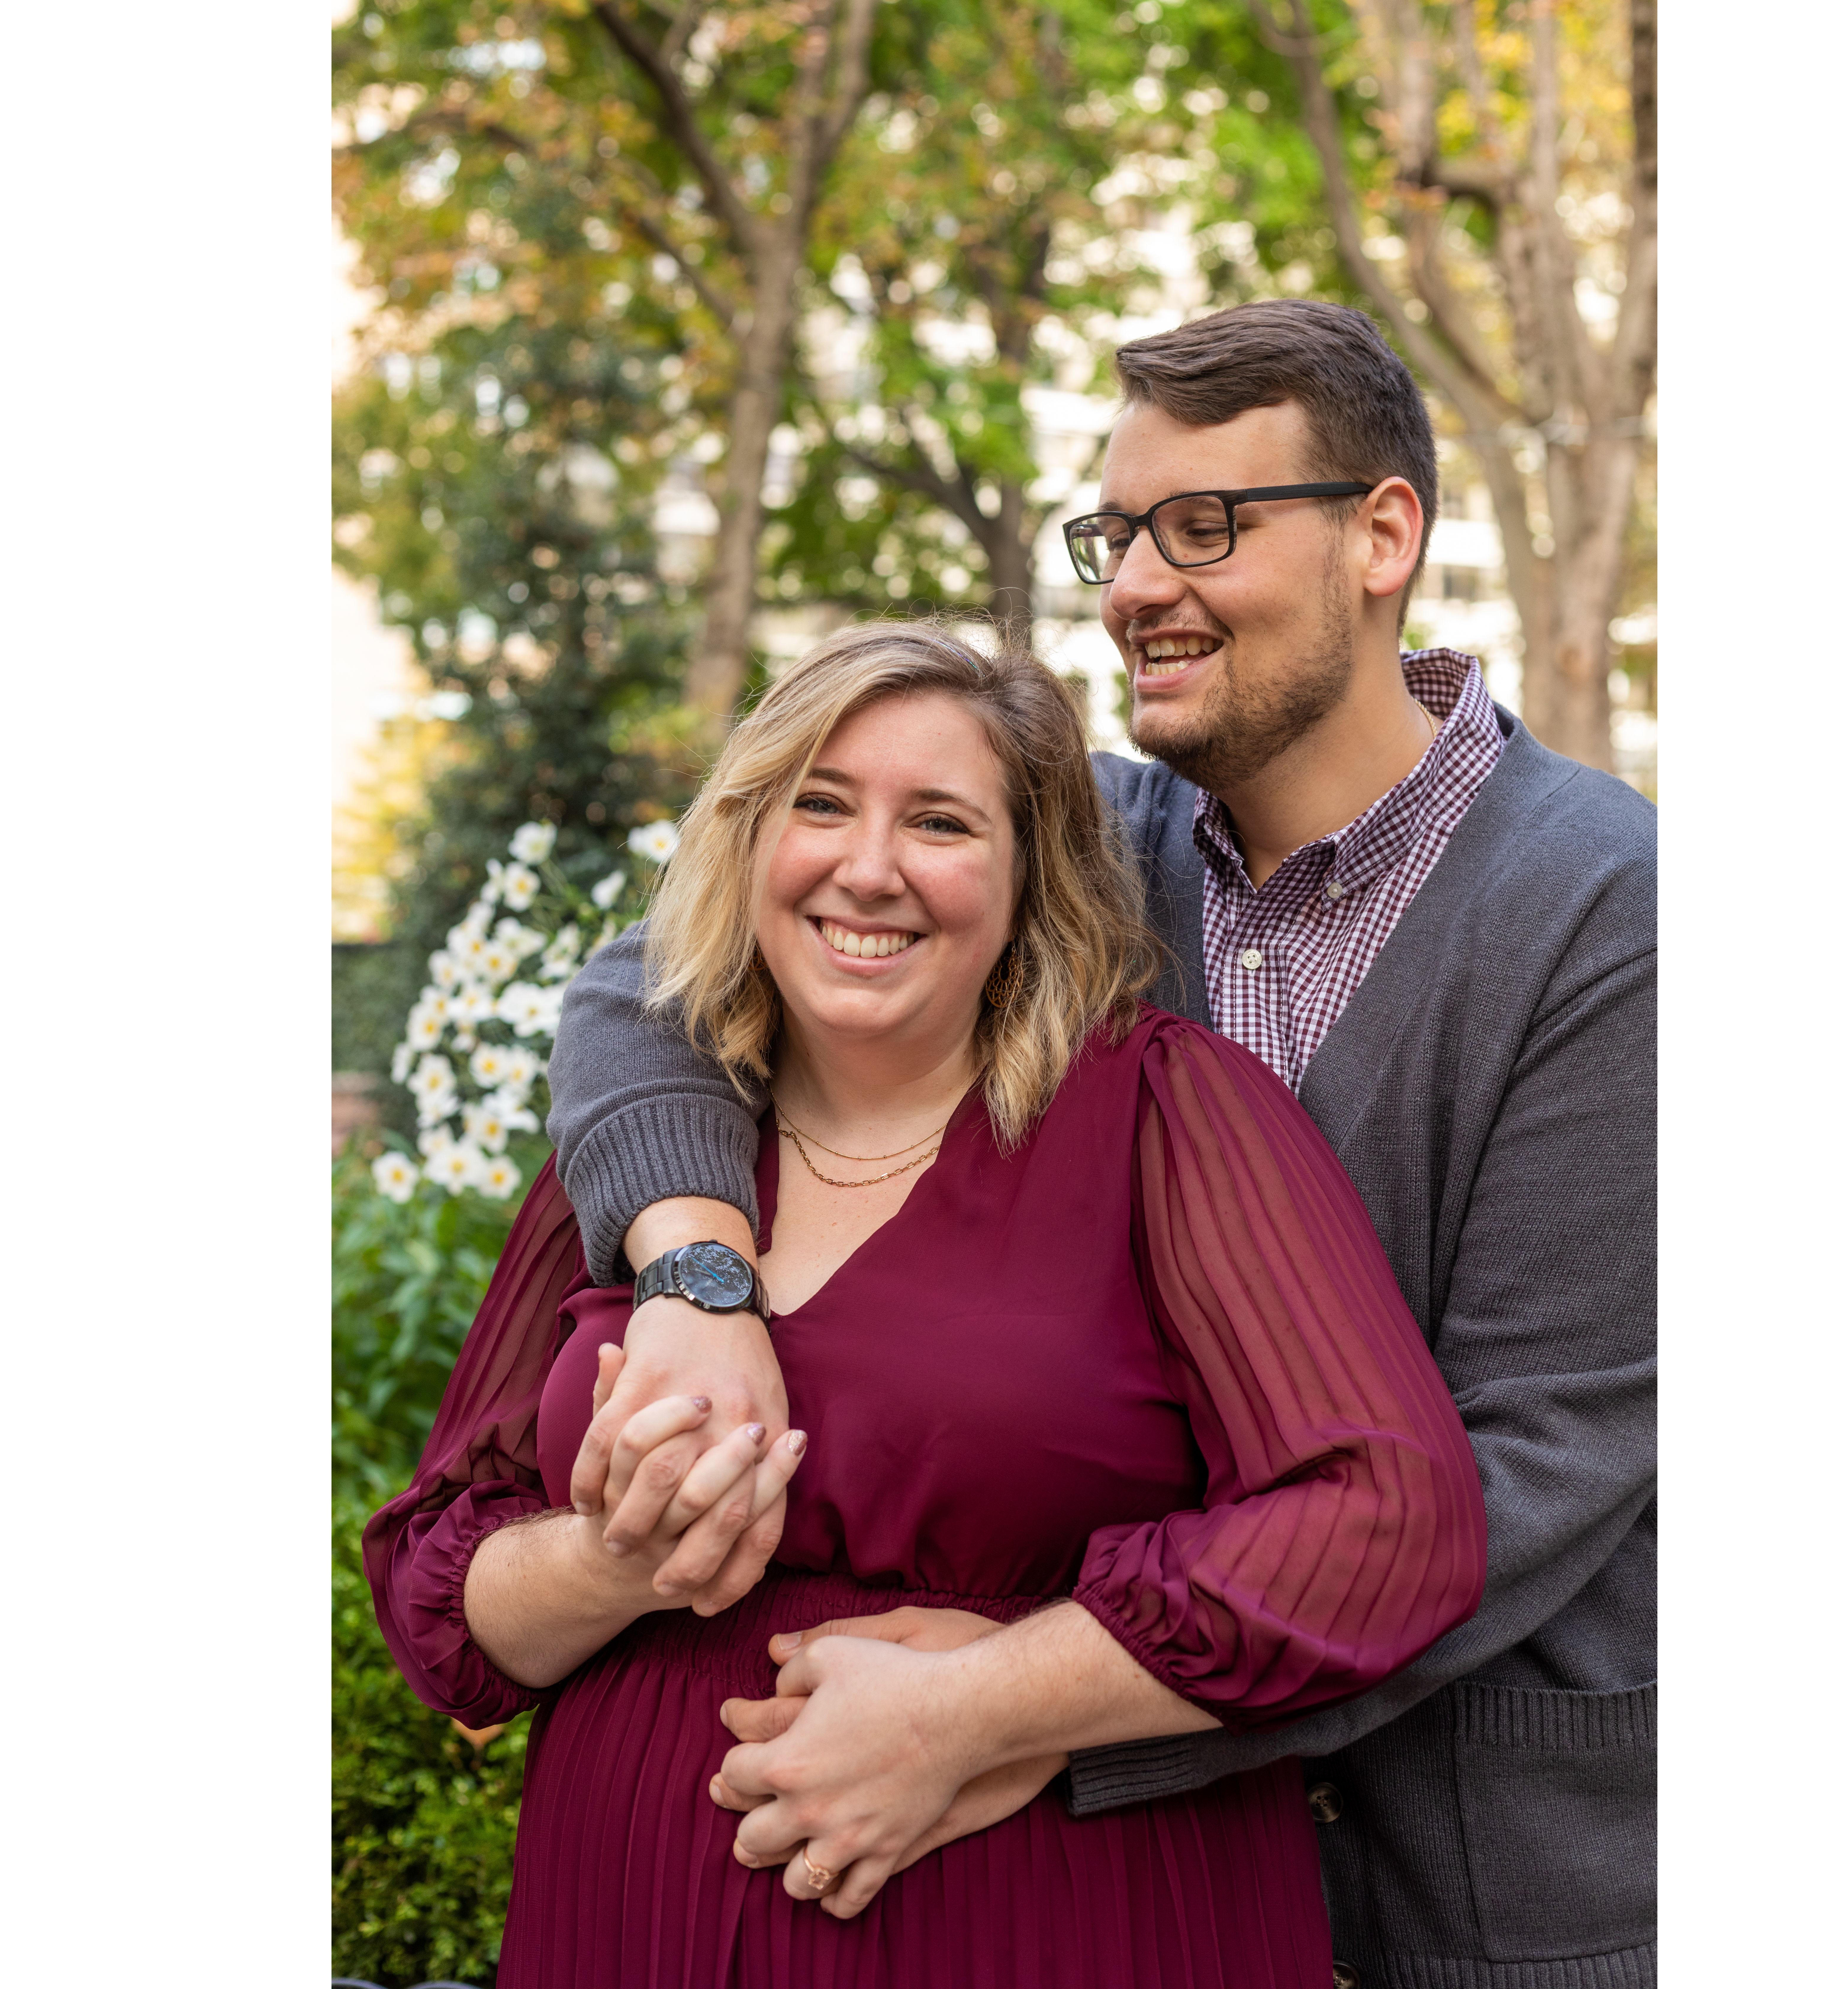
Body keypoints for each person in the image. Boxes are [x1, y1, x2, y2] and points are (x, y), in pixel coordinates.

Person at [545, 299, 1657, 1988]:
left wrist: (1014, 1702)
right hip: (1126, 1895)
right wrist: (699, 1278)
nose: (1136, 584)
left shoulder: (1612, 917)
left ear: (1384, 534)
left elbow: (1529, 1478)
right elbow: (655, 983)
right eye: (1117, 533)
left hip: (1483, 1892)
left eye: (1206, 525)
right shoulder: (1092, 858)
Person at [366, 622, 1486, 1988]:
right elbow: (440, 1597)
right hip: (627, 1928)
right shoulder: (640, 1161)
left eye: (942, 822)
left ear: (1030, 882)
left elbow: (1388, 1521)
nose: (869, 867)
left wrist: (984, 1705)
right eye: (819, 806)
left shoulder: (1167, 1116)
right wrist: (614, 1561)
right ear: (747, 844)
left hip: (1061, 1927)